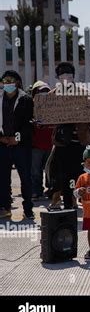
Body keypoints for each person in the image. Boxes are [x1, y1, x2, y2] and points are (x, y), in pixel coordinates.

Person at [51, 62, 90, 210]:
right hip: (63, 142)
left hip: (79, 141)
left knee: (79, 172)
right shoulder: (53, 95)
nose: (66, 76)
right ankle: (68, 202)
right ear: (58, 77)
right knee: (63, 173)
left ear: (73, 76)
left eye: (69, 73)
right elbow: (45, 116)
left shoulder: (84, 93)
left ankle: (78, 198)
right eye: (63, 74)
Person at [0, 70, 34, 219]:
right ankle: (5, 207)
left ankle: (28, 209)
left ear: (18, 82)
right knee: (3, 178)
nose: (7, 84)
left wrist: (16, 138)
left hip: (21, 145)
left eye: (11, 81)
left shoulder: (26, 99)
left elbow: (29, 124)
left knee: (25, 177)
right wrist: (2, 139)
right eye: (5, 81)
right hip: (2, 144)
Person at [30, 81, 54, 200]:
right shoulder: (29, 107)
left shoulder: (55, 107)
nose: (43, 95)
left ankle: (51, 189)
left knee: (50, 170)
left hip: (51, 144)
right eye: (40, 92)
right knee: (35, 171)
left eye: (46, 92)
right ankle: (36, 191)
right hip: (36, 145)